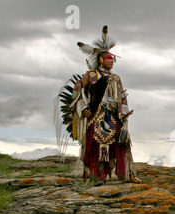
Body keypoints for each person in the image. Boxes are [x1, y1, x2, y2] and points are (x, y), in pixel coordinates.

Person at [56, 26, 139, 185]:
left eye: (112, 59)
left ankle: (127, 174)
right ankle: (97, 176)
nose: (111, 61)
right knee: (97, 146)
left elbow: (122, 96)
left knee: (123, 144)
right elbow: (77, 91)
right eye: (108, 58)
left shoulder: (116, 78)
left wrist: (124, 111)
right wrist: (83, 108)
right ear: (101, 59)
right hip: (96, 116)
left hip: (114, 116)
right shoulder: (91, 76)